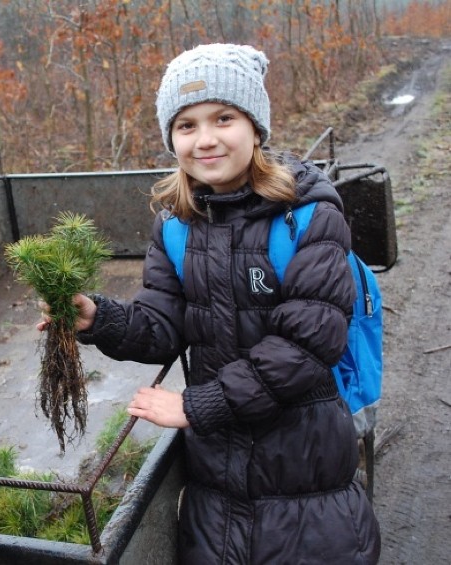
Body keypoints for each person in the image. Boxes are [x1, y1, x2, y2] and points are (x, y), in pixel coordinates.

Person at [48, 44, 381, 563]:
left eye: (223, 118)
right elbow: (162, 325)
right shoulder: (176, 223)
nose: (205, 139)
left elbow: (306, 347)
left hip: (304, 461)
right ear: (171, 138)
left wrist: (193, 405)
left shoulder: (309, 216)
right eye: (186, 125)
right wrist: (99, 318)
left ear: (255, 126)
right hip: (217, 474)